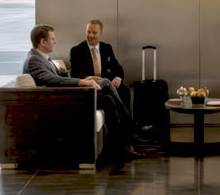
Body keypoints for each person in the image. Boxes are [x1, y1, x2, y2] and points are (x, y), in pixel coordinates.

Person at [24, 23, 137, 161]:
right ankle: (129, 133)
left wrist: (86, 79)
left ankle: (119, 148)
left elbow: (60, 78)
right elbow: (52, 80)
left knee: (108, 100)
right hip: (61, 101)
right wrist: (82, 82)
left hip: (63, 96)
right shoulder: (34, 60)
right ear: (42, 42)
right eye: (52, 39)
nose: (55, 42)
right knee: (107, 83)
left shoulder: (41, 58)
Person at [68, 19, 126, 104]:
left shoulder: (107, 48)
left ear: (101, 34)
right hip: (89, 87)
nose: (90, 35)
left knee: (124, 90)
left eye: (94, 33)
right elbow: (75, 74)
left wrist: (118, 78)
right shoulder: (76, 50)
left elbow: (117, 67)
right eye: (88, 32)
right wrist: (92, 79)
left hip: (107, 85)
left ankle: (124, 117)